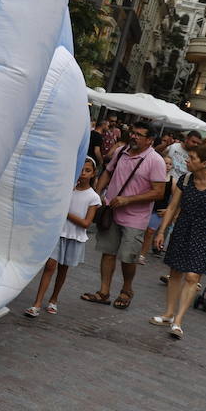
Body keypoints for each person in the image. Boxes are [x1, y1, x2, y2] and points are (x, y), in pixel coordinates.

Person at [149, 144, 206, 339]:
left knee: (193, 277)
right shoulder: (185, 180)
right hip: (182, 227)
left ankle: (178, 320)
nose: (187, 161)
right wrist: (162, 231)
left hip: (205, 233)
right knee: (175, 272)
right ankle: (169, 314)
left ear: (204, 163)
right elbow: (172, 207)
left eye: (192, 158)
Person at [81, 122, 165, 310]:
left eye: (139, 134)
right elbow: (108, 173)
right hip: (111, 211)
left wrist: (129, 200)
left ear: (149, 140)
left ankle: (127, 290)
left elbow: (159, 192)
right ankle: (103, 292)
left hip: (135, 217)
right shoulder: (122, 151)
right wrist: (96, 193)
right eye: (133, 133)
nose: (133, 137)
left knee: (128, 257)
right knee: (108, 252)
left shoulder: (155, 160)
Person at [25, 158, 100, 317]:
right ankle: (37, 303)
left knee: (63, 269)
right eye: (81, 169)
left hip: (74, 236)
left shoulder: (93, 197)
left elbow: (86, 223)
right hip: (58, 233)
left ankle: (54, 299)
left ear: (93, 173)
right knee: (50, 266)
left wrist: (66, 212)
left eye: (87, 170)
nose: (83, 173)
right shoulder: (68, 189)